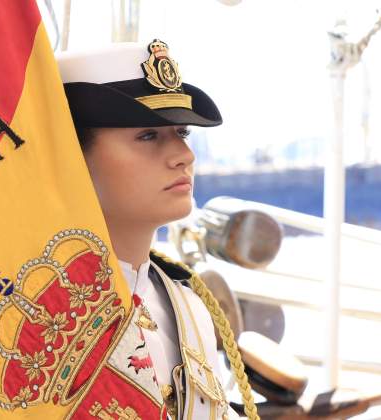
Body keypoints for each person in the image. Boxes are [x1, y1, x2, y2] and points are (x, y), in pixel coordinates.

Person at [57, 39, 258, 420]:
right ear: (71, 157)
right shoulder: (46, 329)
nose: (184, 155)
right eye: (148, 136)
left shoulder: (190, 309)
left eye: (181, 132)